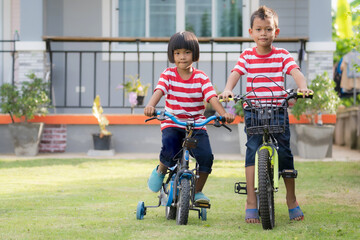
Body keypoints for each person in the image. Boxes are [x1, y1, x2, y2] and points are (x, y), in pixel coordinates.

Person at [219, 6, 313, 223]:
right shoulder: (247, 55)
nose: (263, 33)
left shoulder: (282, 55)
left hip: (277, 109)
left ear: (276, 32)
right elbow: (236, 73)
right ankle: (251, 201)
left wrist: (303, 87)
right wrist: (227, 89)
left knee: (286, 152)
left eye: (268, 29)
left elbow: (296, 72)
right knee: (252, 150)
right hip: (253, 110)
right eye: (259, 29)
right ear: (251, 32)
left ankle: (291, 199)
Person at [144, 31, 235, 204]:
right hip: (173, 121)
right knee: (170, 147)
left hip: (196, 124)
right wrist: (151, 106)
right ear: (172, 55)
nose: (182, 57)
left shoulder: (201, 77)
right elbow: (159, 91)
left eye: (187, 52)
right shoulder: (168, 74)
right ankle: (161, 170)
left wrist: (223, 114)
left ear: (195, 54)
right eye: (177, 53)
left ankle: (198, 191)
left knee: (206, 157)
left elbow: (211, 97)